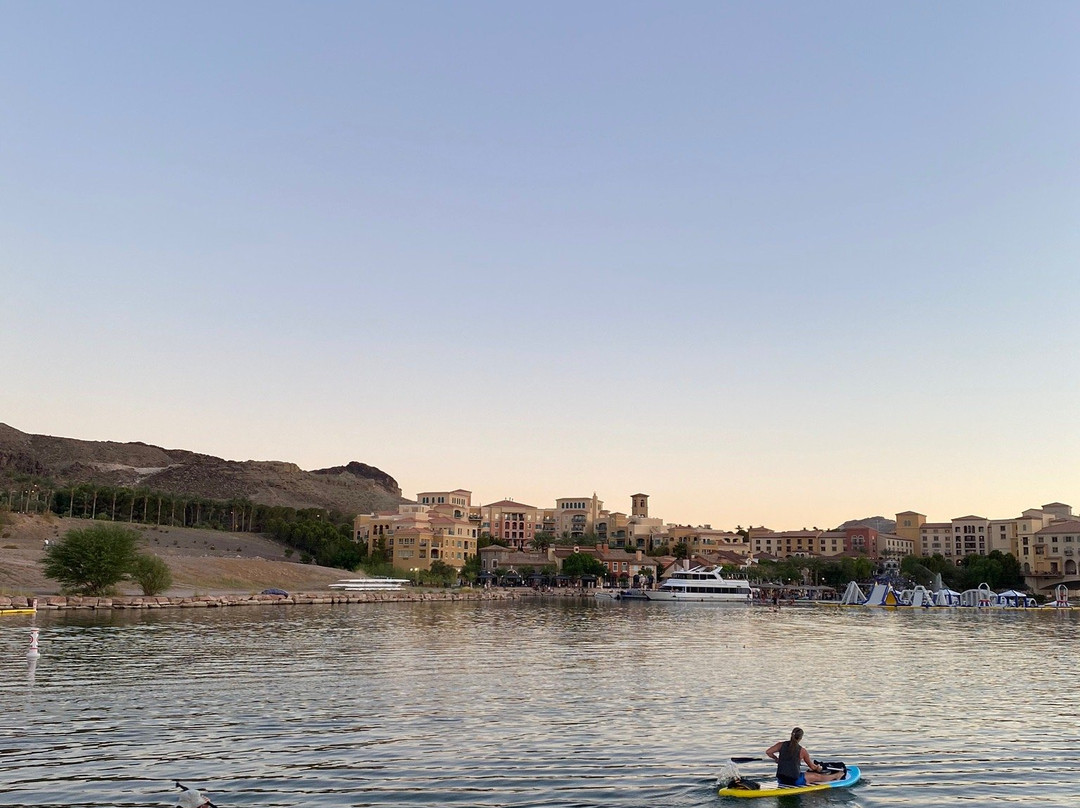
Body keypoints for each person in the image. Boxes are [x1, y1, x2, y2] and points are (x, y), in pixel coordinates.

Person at [766, 727, 842, 786]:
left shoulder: (780, 745)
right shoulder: (802, 751)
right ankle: (836, 775)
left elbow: (768, 752)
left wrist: (776, 758)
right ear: (801, 738)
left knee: (804, 773)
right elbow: (812, 767)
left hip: (781, 779)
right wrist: (818, 768)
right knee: (817, 776)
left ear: (791, 735)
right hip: (795, 781)